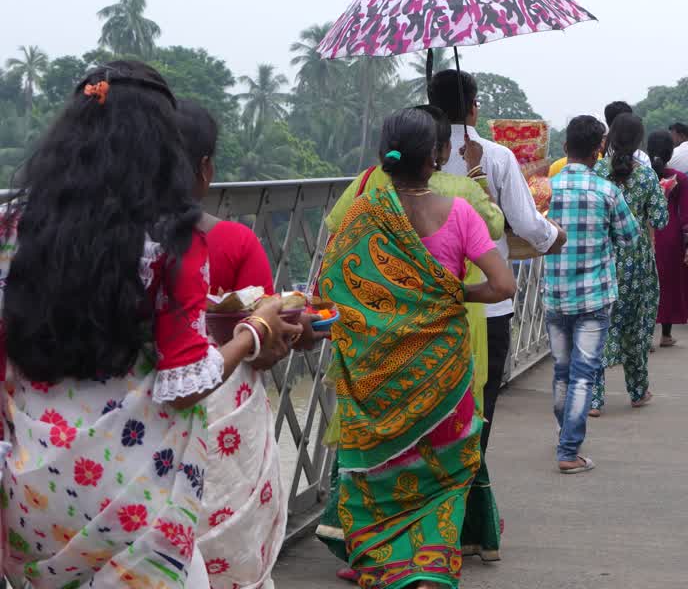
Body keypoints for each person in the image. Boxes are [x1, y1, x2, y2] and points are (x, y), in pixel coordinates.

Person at [0, 61, 299, 587]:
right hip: (132, 499)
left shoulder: (12, 231)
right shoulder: (173, 240)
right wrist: (255, 330)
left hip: (31, 490)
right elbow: (187, 383)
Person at [319, 107, 516, 588]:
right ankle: (429, 567)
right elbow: (503, 285)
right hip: (442, 368)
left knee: (384, 462)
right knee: (442, 470)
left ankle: (382, 559)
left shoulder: (365, 212)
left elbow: (332, 283)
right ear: (437, 156)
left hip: (377, 368)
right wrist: (452, 293)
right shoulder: (462, 212)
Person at [174, 99, 293, 588]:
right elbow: (266, 348)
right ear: (205, 169)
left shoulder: (106, 246)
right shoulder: (234, 243)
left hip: (141, 440)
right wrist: (276, 328)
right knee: (234, 551)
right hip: (225, 414)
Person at [431, 69, 566, 455]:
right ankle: (472, 492)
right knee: (480, 403)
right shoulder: (493, 155)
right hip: (487, 299)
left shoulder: (415, 161)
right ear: (473, 108)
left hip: (425, 300)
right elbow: (523, 222)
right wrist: (552, 237)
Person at [544, 116, 640, 474]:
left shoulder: (547, 189)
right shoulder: (606, 190)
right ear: (599, 150)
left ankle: (563, 432)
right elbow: (630, 238)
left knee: (562, 372)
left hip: (555, 294)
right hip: (595, 297)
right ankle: (569, 450)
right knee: (584, 374)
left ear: (565, 146)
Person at [590, 114, 669, 415]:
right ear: (639, 142)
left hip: (601, 259)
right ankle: (638, 390)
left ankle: (594, 400)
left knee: (597, 327)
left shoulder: (596, 172)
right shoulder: (647, 176)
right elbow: (661, 220)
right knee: (636, 327)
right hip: (636, 262)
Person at [649, 131, 688, 347]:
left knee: (646, 282)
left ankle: (645, 335)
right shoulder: (680, 177)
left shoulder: (641, 175)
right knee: (667, 284)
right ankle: (665, 334)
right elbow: (686, 214)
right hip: (670, 235)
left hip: (644, 233)